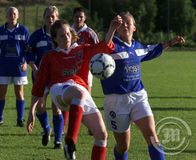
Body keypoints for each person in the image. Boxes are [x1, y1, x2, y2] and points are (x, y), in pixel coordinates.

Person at [26, 16, 122, 160]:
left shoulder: (82, 50)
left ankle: (71, 150)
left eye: (68, 34)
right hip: (60, 91)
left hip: (80, 93)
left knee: (101, 135)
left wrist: (112, 28)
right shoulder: (50, 57)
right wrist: (31, 111)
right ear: (55, 39)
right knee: (78, 93)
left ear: (72, 34)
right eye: (61, 35)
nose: (66, 37)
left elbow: (102, 47)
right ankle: (70, 142)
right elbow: (39, 86)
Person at [100, 11, 185, 160]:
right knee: (123, 146)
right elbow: (104, 47)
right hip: (116, 101)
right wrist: (111, 29)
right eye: (121, 23)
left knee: (153, 137)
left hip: (138, 97)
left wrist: (171, 42)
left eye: (128, 23)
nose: (124, 25)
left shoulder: (138, 47)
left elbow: (154, 49)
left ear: (134, 27)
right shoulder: (112, 46)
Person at [26, 5, 63, 149]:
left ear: (57, 18)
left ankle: (58, 140)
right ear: (44, 18)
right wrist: (34, 68)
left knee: (56, 107)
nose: (50, 19)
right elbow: (28, 53)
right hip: (40, 76)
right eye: (48, 16)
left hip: (56, 77)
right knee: (40, 107)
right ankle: (47, 128)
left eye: (53, 16)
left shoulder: (62, 34)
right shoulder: (36, 35)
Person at [0, 6, 30, 127]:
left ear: (18, 16)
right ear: (6, 16)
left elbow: (28, 49)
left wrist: (26, 62)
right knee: (1, 93)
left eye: (14, 14)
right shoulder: (1, 30)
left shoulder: (24, 30)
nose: (12, 16)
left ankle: (20, 119)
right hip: (3, 66)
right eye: (10, 14)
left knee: (19, 93)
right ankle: (0, 117)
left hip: (19, 66)